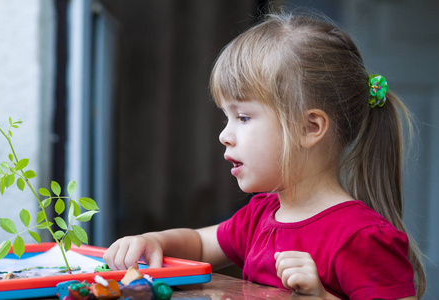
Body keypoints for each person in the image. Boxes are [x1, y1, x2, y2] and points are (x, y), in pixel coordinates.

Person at [104, 12, 426, 299]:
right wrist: (154, 241)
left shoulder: (363, 238)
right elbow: (201, 244)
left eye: (243, 117)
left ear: (309, 128)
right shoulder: (260, 214)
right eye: (226, 117)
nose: (224, 135)